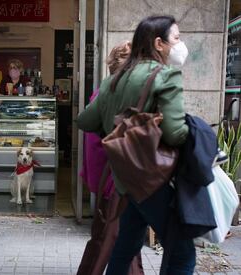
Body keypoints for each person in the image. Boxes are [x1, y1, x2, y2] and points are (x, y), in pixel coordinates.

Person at [77, 15, 195, 275]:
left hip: (124, 182)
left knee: (125, 247)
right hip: (154, 181)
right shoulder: (166, 76)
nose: (180, 43)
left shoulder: (113, 80)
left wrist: (115, 131)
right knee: (182, 252)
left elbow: (85, 120)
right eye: (176, 37)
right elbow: (175, 134)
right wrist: (196, 133)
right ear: (159, 43)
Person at [78, 41, 144, 275]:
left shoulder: (104, 92)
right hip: (116, 183)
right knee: (106, 241)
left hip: (111, 181)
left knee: (116, 241)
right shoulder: (118, 96)